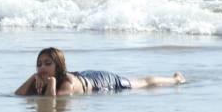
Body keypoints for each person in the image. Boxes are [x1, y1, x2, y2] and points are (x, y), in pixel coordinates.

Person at [15, 48, 185, 97]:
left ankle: (175, 79)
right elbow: (18, 94)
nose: (42, 68)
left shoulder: (65, 82)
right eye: (39, 64)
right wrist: (32, 77)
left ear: (58, 66)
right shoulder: (40, 79)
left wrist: (51, 83)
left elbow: (51, 103)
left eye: (47, 63)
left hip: (101, 82)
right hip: (83, 75)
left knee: (140, 84)